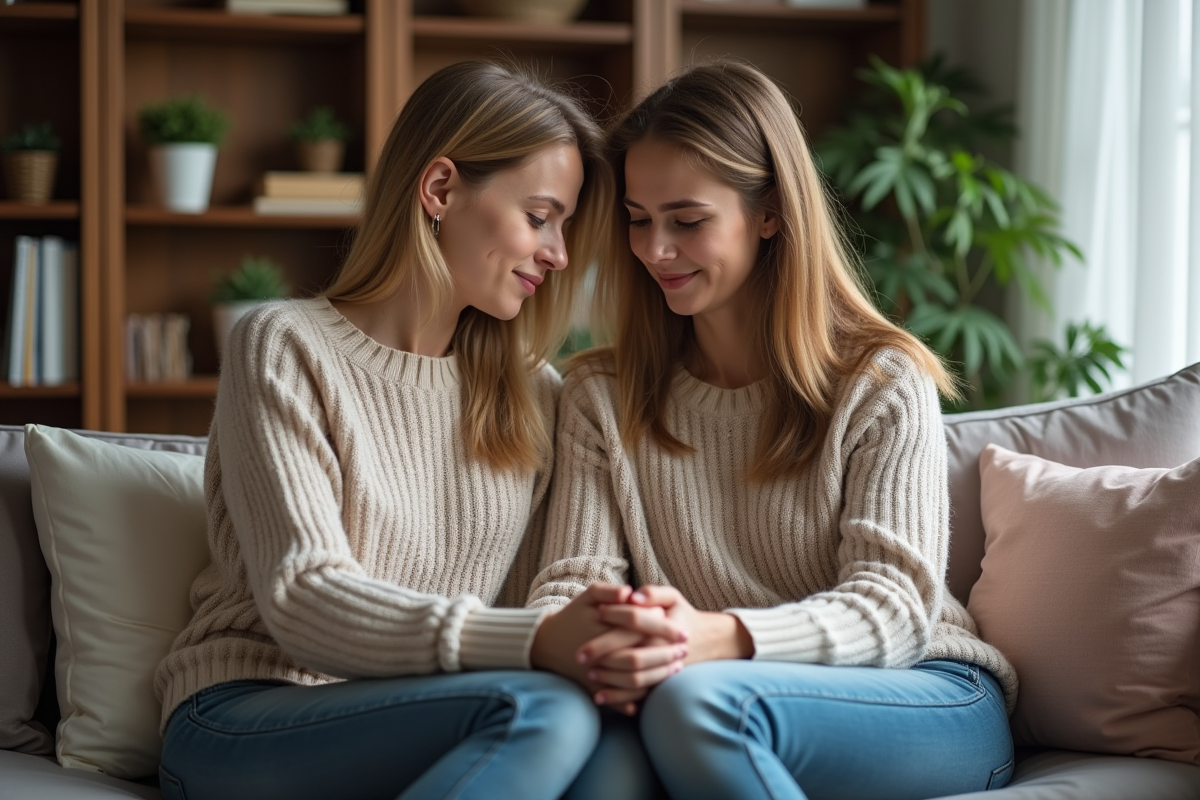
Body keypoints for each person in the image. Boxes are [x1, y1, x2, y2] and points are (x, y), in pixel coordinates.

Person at [529, 60, 1019, 800]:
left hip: (923, 689)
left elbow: (893, 611)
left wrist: (717, 637)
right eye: (637, 219)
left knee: (701, 707)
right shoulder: (600, 393)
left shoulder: (880, 382)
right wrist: (613, 641)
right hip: (695, 688)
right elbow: (570, 582)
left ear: (770, 212)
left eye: (687, 221)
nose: (655, 249)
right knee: (600, 763)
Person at [153, 60, 628, 800]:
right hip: (247, 710)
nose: (558, 254)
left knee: (611, 748)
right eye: (539, 217)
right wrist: (531, 642)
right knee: (542, 714)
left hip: (428, 710)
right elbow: (305, 596)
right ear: (440, 190)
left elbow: (555, 587)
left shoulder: (534, 393)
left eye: (564, 227)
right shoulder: (285, 345)